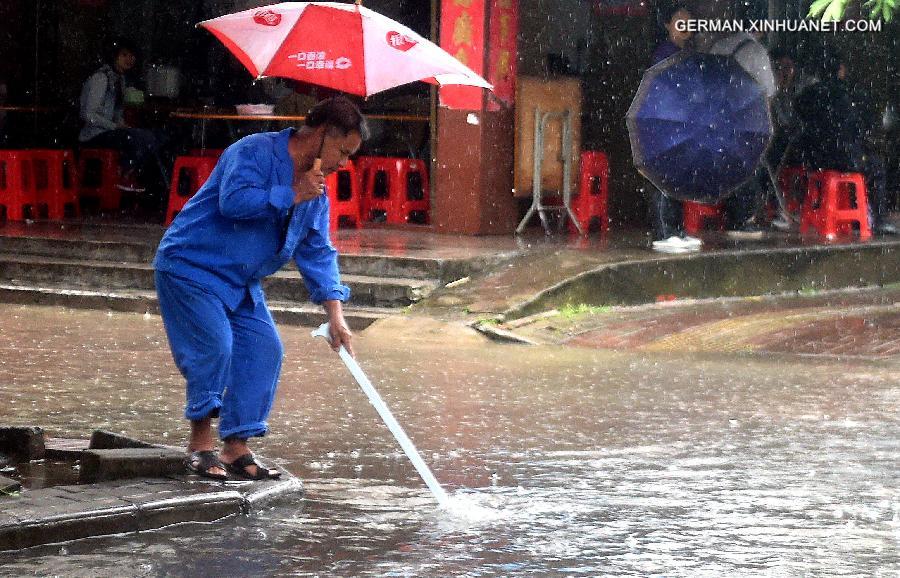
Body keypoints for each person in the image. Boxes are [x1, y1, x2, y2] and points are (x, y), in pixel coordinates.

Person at [153, 96, 366, 480]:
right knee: (215, 347)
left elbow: (317, 250)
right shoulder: (251, 151)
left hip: (240, 281)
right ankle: (200, 446)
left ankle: (235, 447)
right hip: (192, 266)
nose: (343, 164)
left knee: (264, 349)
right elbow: (233, 202)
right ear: (321, 135)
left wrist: (336, 316)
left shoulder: (317, 192)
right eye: (343, 152)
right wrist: (291, 193)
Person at [786, 46, 897, 235]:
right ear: (841, 69)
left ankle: (826, 213)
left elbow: (798, 121)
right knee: (875, 167)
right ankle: (874, 219)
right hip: (846, 158)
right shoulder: (853, 94)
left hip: (815, 160)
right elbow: (864, 127)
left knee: (855, 162)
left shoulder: (807, 95)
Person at [708, 27, 776, 239]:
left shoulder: (719, 46)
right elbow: (769, 91)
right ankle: (741, 218)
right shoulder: (756, 52)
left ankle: (731, 214)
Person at [648, 2, 702, 254]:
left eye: (688, 22)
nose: (685, 26)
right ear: (668, 25)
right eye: (679, 21)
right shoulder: (665, 53)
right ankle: (662, 231)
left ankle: (676, 230)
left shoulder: (681, 53)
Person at [78, 38, 161, 193]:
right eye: (124, 55)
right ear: (114, 56)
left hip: (109, 132)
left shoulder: (120, 79)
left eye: (131, 56)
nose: (129, 60)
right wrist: (115, 126)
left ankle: (129, 174)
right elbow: (88, 114)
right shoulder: (101, 78)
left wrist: (121, 124)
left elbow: (116, 112)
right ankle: (125, 174)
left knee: (153, 137)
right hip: (94, 135)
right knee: (140, 138)